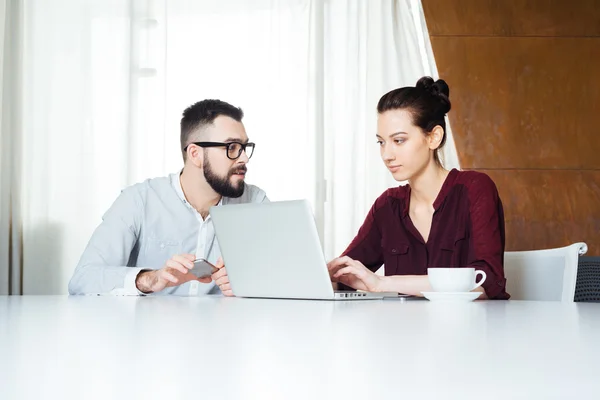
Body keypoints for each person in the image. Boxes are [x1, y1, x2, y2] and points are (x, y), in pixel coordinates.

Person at [327, 77, 509, 299]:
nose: (387, 155)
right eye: (381, 142)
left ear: (434, 137)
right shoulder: (387, 206)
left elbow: (486, 282)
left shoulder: (475, 189)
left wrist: (382, 283)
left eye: (399, 140)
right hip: (406, 332)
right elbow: (347, 276)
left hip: (475, 330)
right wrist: (324, 277)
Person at [68, 99, 267, 296]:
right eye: (231, 147)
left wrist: (252, 283)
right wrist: (149, 279)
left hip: (228, 326)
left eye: (244, 146)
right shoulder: (139, 201)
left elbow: (288, 274)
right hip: (149, 327)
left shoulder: (255, 203)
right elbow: (83, 279)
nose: (244, 158)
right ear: (195, 154)